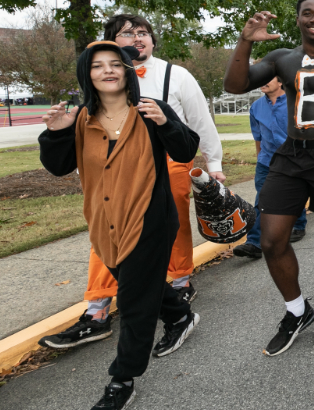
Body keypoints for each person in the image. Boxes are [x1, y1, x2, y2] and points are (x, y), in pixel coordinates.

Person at [40, 15, 224, 351]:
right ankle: (97, 310)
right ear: (111, 42)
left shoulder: (175, 74)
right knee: (108, 246)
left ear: (152, 41)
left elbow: (199, 121)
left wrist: (215, 162)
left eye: (144, 33)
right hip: (112, 179)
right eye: (127, 33)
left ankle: (179, 284)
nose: (137, 38)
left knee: (175, 229)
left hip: (168, 165)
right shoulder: (98, 80)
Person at [39, 42, 200, 410]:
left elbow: (186, 150)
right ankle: (180, 315)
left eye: (116, 64)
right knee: (140, 285)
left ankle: (122, 379)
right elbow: (59, 166)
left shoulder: (150, 110)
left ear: (128, 71)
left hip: (149, 221)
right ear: (87, 74)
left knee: (132, 302)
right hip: (103, 224)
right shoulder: (80, 119)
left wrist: (166, 123)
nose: (108, 71)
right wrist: (57, 132)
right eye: (98, 66)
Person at [224, 0, 314, 355]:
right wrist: (244, 40)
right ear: (298, 19)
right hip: (288, 156)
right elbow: (235, 85)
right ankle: (296, 309)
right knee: (272, 240)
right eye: (308, 13)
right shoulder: (282, 58)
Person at [233, 78, 306, 258]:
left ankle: (298, 224)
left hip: (292, 159)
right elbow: (258, 135)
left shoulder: (296, 103)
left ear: (281, 82)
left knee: (294, 193)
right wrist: (259, 157)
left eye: (268, 78)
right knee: (262, 199)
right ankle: (254, 242)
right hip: (267, 161)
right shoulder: (256, 107)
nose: (262, 81)